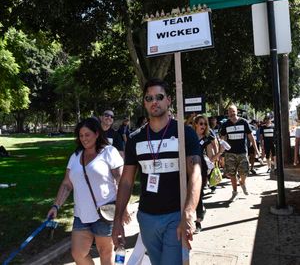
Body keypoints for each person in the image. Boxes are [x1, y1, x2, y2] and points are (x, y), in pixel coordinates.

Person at [112, 78, 202, 265]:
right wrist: (118, 219)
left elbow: (196, 173)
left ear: (168, 100)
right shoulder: (135, 139)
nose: (154, 101)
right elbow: (127, 181)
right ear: (144, 102)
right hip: (146, 219)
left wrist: (189, 211)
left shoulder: (184, 133)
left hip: (175, 216)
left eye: (159, 97)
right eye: (149, 98)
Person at [47, 118, 126, 265]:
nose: (84, 139)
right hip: (81, 214)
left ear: (96, 134)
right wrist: (56, 205)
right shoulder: (75, 156)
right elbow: (66, 184)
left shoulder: (109, 152)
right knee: (78, 254)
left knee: (105, 254)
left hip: (105, 213)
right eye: (81, 135)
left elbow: (121, 181)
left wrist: (123, 208)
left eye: (87, 134)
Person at [220, 104, 260, 201]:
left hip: (242, 152)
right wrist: (221, 153)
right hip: (230, 153)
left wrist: (257, 150)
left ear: (236, 111)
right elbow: (223, 139)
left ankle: (242, 182)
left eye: (233, 111)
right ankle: (234, 192)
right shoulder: (225, 124)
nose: (232, 113)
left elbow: (251, 137)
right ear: (228, 113)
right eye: (230, 112)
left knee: (244, 171)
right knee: (232, 174)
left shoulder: (243, 122)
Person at [192, 114, 223, 233]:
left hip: (201, 169)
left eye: (205, 124)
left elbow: (211, 158)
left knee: (198, 194)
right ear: (195, 124)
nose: (203, 126)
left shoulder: (207, 139)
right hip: (187, 168)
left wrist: (220, 152)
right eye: (201, 123)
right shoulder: (188, 136)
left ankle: (198, 221)